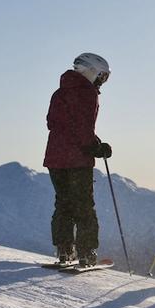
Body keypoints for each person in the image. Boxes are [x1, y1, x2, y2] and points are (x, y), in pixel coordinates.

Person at [44, 53, 113, 267]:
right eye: (101, 76)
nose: (102, 81)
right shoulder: (87, 93)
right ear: (91, 71)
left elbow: (53, 123)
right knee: (83, 205)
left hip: (55, 157)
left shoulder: (60, 92)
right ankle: (86, 252)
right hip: (77, 159)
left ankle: (64, 250)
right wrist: (96, 147)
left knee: (63, 204)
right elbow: (83, 127)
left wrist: (91, 140)